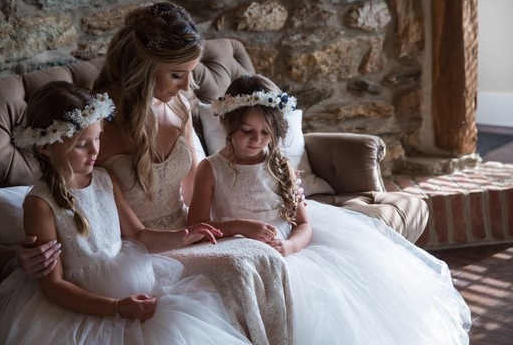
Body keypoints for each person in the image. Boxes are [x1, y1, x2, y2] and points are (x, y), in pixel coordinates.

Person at [16, 2, 293, 344]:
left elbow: (197, 189)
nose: (188, 84)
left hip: (183, 231)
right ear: (142, 67)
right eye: (177, 74)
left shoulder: (178, 105)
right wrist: (30, 249)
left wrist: (264, 197)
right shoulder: (95, 124)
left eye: (190, 72)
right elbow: (67, 194)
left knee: (262, 256)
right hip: (139, 253)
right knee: (240, 268)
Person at [191, 73, 471, 344]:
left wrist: (290, 247)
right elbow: (196, 227)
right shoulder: (211, 169)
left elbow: (303, 224)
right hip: (235, 248)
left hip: (286, 248)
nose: (257, 140)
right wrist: (238, 226)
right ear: (229, 124)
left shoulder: (280, 166)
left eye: (266, 132)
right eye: (247, 131)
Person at [0, 81, 249, 344]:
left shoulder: (104, 178)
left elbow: (138, 234)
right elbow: (53, 286)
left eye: (97, 139)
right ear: (45, 147)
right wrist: (116, 308)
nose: (94, 151)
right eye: (82, 144)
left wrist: (183, 235)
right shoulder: (40, 204)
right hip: (82, 306)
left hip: (135, 283)